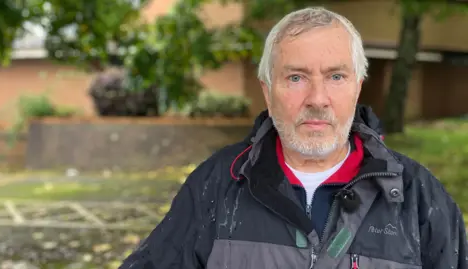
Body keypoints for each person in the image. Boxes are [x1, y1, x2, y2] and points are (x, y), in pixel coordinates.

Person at [119, 7, 467, 269]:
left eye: (335, 76)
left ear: (357, 87)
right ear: (268, 92)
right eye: (297, 78)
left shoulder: (419, 196)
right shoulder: (216, 185)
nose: (317, 99)